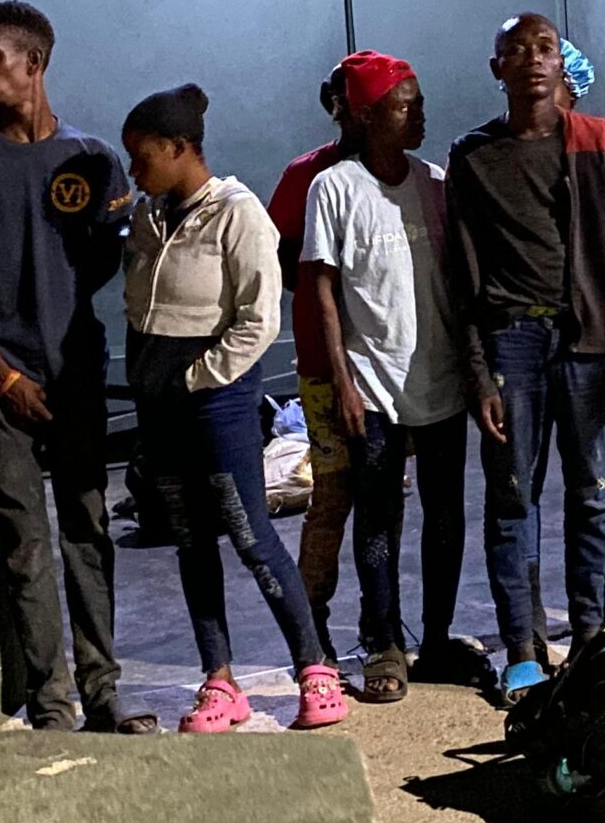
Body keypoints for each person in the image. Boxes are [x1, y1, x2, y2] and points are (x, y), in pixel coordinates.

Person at [0, 0, 142, 732]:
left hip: (75, 376)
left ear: (34, 63)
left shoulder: (92, 159)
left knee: (88, 530)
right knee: (24, 543)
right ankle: (52, 701)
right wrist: (1, 371)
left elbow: (109, 257)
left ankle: (103, 690)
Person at [122, 84, 346, 731]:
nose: (134, 171)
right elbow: (139, 308)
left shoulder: (238, 214)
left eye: (142, 157)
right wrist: (151, 382)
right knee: (191, 541)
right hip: (161, 405)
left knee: (250, 534)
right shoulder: (149, 217)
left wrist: (197, 377)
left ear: (179, 148)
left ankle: (315, 669)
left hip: (215, 401)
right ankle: (219, 682)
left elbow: (258, 321)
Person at [446, 12, 605, 702]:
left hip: (587, 343)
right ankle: (523, 647)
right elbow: (461, 274)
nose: (533, 59)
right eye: (517, 50)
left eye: (545, 48)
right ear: (496, 68)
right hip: (512, 343)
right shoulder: (474, 157)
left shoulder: (596, 141)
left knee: (591, 492)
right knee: (512, 497)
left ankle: (588, 632)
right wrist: (478, 374)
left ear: (562, 63)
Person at [303, 52, 471, 702]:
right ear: (369, 116)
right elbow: (321, 289)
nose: (419, 114)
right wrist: (343, 381)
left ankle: (437, 636)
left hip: (440, 378)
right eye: (405, 105)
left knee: (445, 514)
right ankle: (383, 642)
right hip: (372, 383)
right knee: (378, 518)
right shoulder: (335, 188)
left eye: (419, 103)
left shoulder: (436, 183)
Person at [268, 65, 361, 656]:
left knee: (381, 500)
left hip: (391, 364)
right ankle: (311, 627)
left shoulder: (406, 175)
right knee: (330, 495)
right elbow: (280, 256)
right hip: (326, 365)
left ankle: (383, 627)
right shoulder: (304, 175)